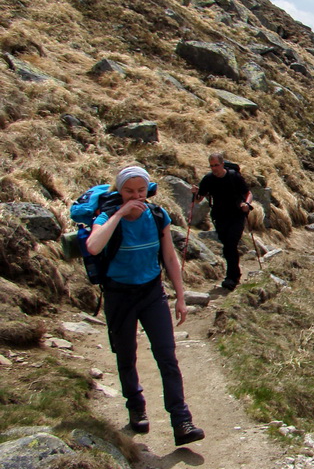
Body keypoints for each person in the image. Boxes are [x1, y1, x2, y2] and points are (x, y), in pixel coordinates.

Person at [87, 166, 205, 447]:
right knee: (126, 354)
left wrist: (180, 296)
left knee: (167, 356)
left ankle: (181, 421)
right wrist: (118, 214)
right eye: (129, 191)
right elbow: (93, 246)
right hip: (118, 294)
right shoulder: (106, 217)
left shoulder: (157, 215)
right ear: (119, 191)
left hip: (152, 292)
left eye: (141, 191)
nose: (136, 196)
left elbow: (169, 256)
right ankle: (136, 406)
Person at [191, 153, 252, 291]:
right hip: (219, 217)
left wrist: (246, 204)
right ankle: (233, 274)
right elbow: (198, 199)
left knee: (231, 243)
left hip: (237, 215)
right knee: (227, 245)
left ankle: (232, 277)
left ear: (222, 164)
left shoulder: (233, 176)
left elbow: (248, 193)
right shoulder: (208, 179)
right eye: (212, 166)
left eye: (216, 165)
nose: (214, 168)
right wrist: (195, 193)